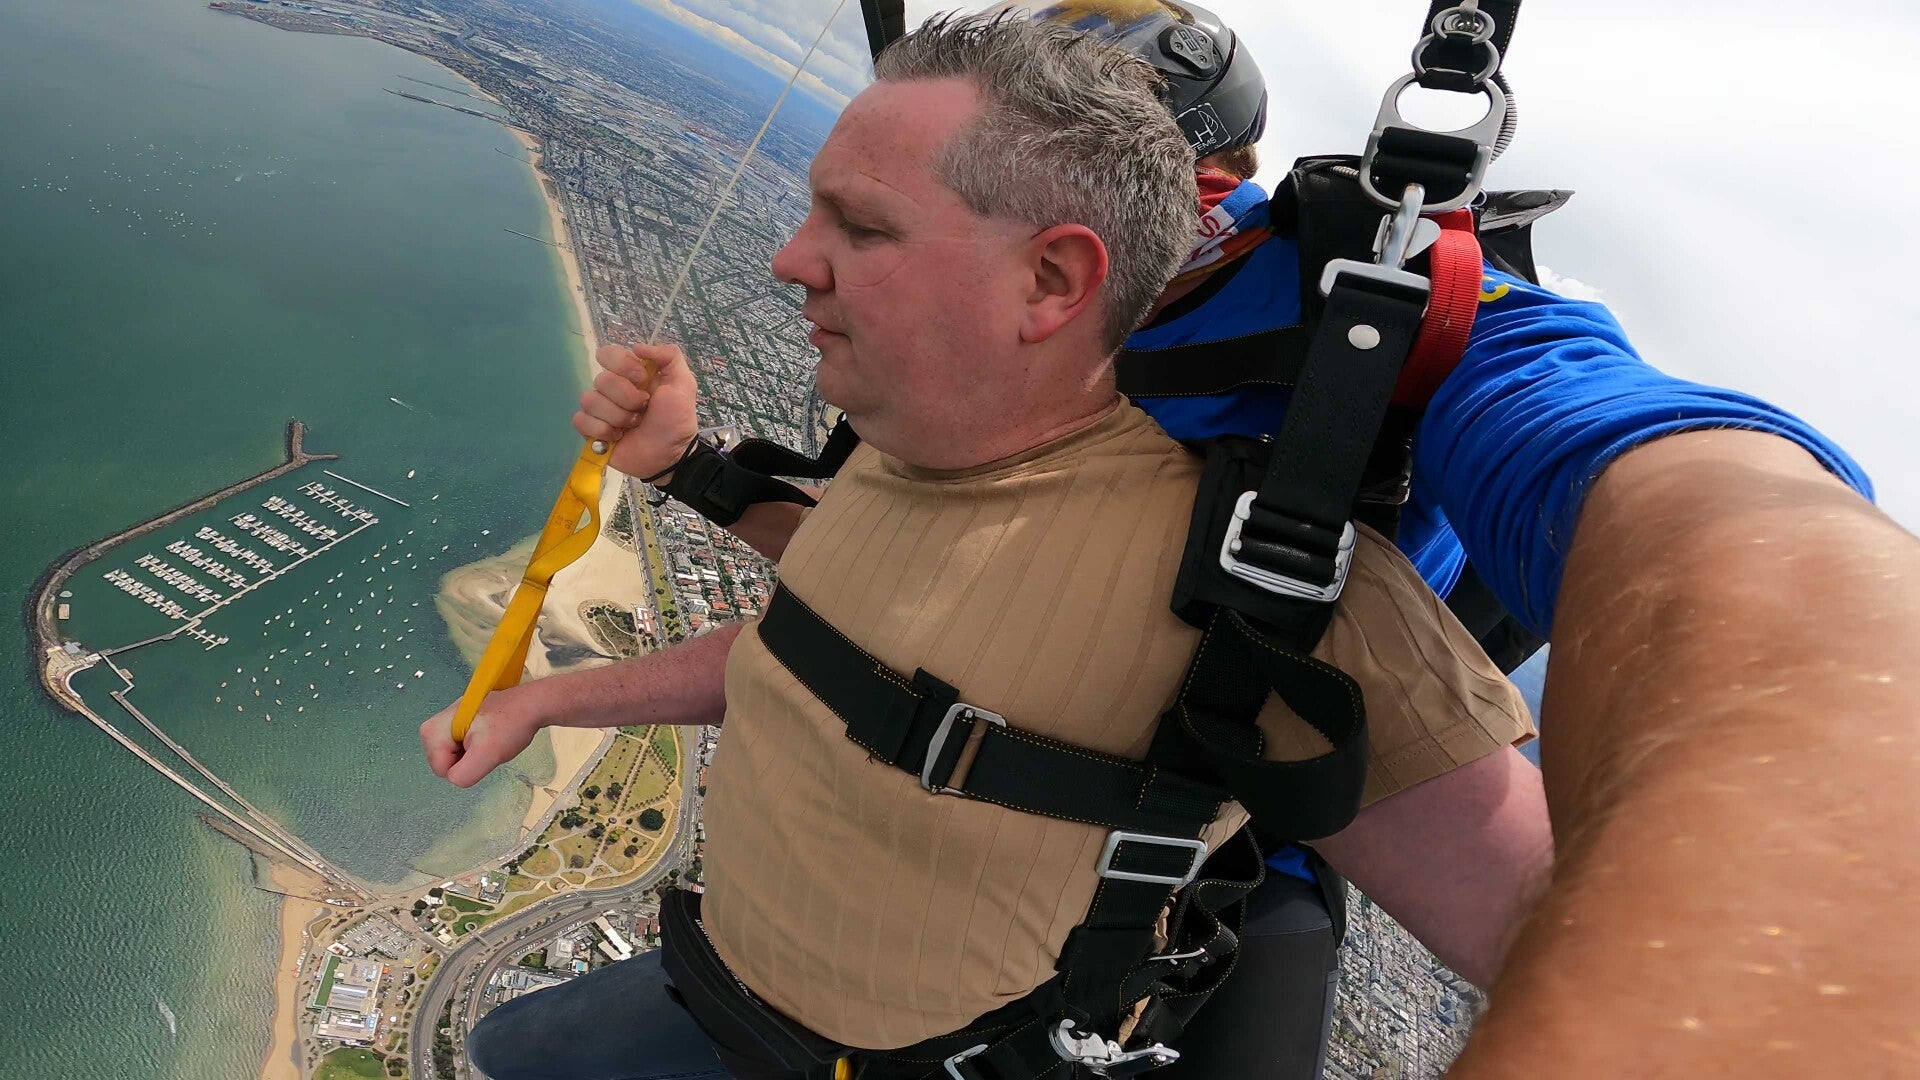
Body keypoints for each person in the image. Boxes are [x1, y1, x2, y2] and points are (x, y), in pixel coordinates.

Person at [427, 14, 1538, 1078]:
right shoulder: (903, 451)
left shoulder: (1267, 585)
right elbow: (809, 644)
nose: (789, 260)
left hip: (947, 1051)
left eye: (863, 227)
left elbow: (1566, 942)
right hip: (724, 986)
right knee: (501, 1052)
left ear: (1053, 277)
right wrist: (553, 690)